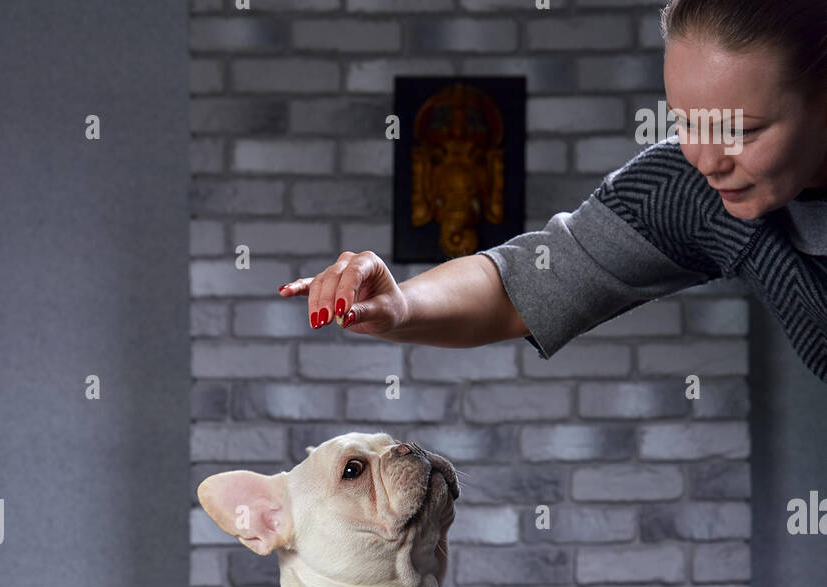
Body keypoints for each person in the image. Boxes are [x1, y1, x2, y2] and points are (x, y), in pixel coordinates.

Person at [279, 0, 827, 381]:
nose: (706, 159)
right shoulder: (691, 191)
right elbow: (527, 281)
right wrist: (403, 305)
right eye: (685, 122)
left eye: (740, 130)